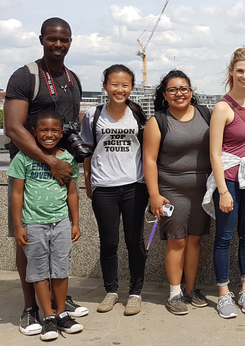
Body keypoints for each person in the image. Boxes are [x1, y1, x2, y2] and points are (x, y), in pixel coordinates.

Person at [4, 17, 88, 335]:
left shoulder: (72, 78)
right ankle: (30, 308)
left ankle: (56, 303)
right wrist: (50, 161)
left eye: (64, 39)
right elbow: (13, 127)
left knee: (59, 242)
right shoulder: (26, 75)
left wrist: (67, 164)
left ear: (70, 41)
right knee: (28, 241)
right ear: (41, 39)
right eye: (52, 39)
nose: (58, 44)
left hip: (61, 175)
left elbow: (70, 128)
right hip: (31, 171)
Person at [9, 109, 83, 341]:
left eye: (54, 131)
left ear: (61, 133)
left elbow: (73, 193)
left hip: (60, 222)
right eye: (43, 130)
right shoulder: (23, 158)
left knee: (61, 269)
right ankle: (48, 316)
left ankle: (61, 313)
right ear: (34, 132)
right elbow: (17, 194)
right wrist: (18, 226)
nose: (49, 135)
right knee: (39, 271)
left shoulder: (68, 159)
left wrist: (75, 222)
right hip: (33, 224)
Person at [81, 65, 148, 316]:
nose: (119, 90)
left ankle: (135, 292)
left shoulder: (138, 114)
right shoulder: (93, 115)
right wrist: (89, 182)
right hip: (104, 186)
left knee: (134, 241)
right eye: (114, 84)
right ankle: (110, 290)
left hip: (134, 185)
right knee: (109, 242)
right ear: (105, 86)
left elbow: (147, 151)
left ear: (131, 88)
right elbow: (86, 151)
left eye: (125, 85)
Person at [143, 70, 211, 316]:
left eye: (184, 89)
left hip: (201, 190)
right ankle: (174, 293)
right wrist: (154, 195)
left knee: (194, 239)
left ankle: (191, 289)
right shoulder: (158, 121)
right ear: (165, 94)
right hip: (172, 189)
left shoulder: (205, 114)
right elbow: (149, 160)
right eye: (172, 90)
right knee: (177, 240)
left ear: (191, 92)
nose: (179, 94)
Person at [209, 47, 245, 319]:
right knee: (224, 237)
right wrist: (222, 191)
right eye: (240, 71)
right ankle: (223, 293)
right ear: (230, 71)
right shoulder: (222, 107)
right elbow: (215, 153)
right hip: (229, 178)